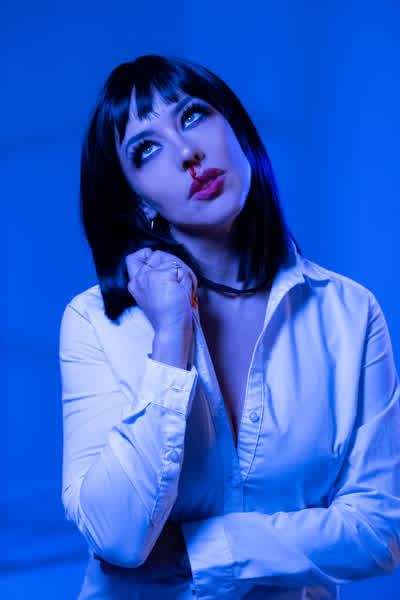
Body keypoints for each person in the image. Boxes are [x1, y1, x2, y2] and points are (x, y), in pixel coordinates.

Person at [59, 54, 400, 600]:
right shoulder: (97, 321)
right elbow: (117, 539)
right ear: (139, 201)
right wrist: (171, 333)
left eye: (192, 116)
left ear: (236, 128)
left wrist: (197, 553)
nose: (186, 152)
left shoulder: (349, 313)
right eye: (147, 149)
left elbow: (378, 532)